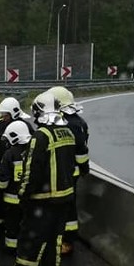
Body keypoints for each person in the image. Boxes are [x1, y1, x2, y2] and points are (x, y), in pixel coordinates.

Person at [0, 91, 76, 266]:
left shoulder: (41, 136)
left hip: (42, 200)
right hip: (65, 199)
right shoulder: (67, 132)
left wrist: (24, 196)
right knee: (53, 242)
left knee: (29, 240)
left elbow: (32, 171)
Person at [49, 86, 89, 255]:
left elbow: (80, 151)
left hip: (67, 173)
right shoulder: (76, 121)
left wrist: (82, 168)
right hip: (65, 172)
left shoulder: (71, 124)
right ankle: (61, 237)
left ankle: (68, 240)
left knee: (67, 207)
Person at [0, 120, 32, 252]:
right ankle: (26, 249)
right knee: (27, 225)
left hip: (12, 200)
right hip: (30, 199)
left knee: (12, 226)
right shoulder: (34, 152)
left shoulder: (10, 154)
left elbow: (2, 179)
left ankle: (11, 249)